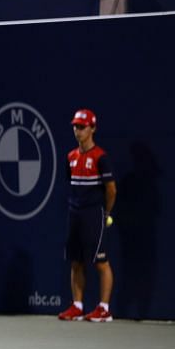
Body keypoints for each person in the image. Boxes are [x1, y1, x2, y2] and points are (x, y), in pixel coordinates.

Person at [58, 108, 117, 323]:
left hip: (95, 214)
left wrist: (106, 212)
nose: (77, 131)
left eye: (82, 127)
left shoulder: (101, 158)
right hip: (75, 214)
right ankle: (77, 305)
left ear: (93, 128)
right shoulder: (70, 157)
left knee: (100, 262)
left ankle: (104, 308)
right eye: (75, 126)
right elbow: (71, 184)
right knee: (76, 261)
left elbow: (111, 190)